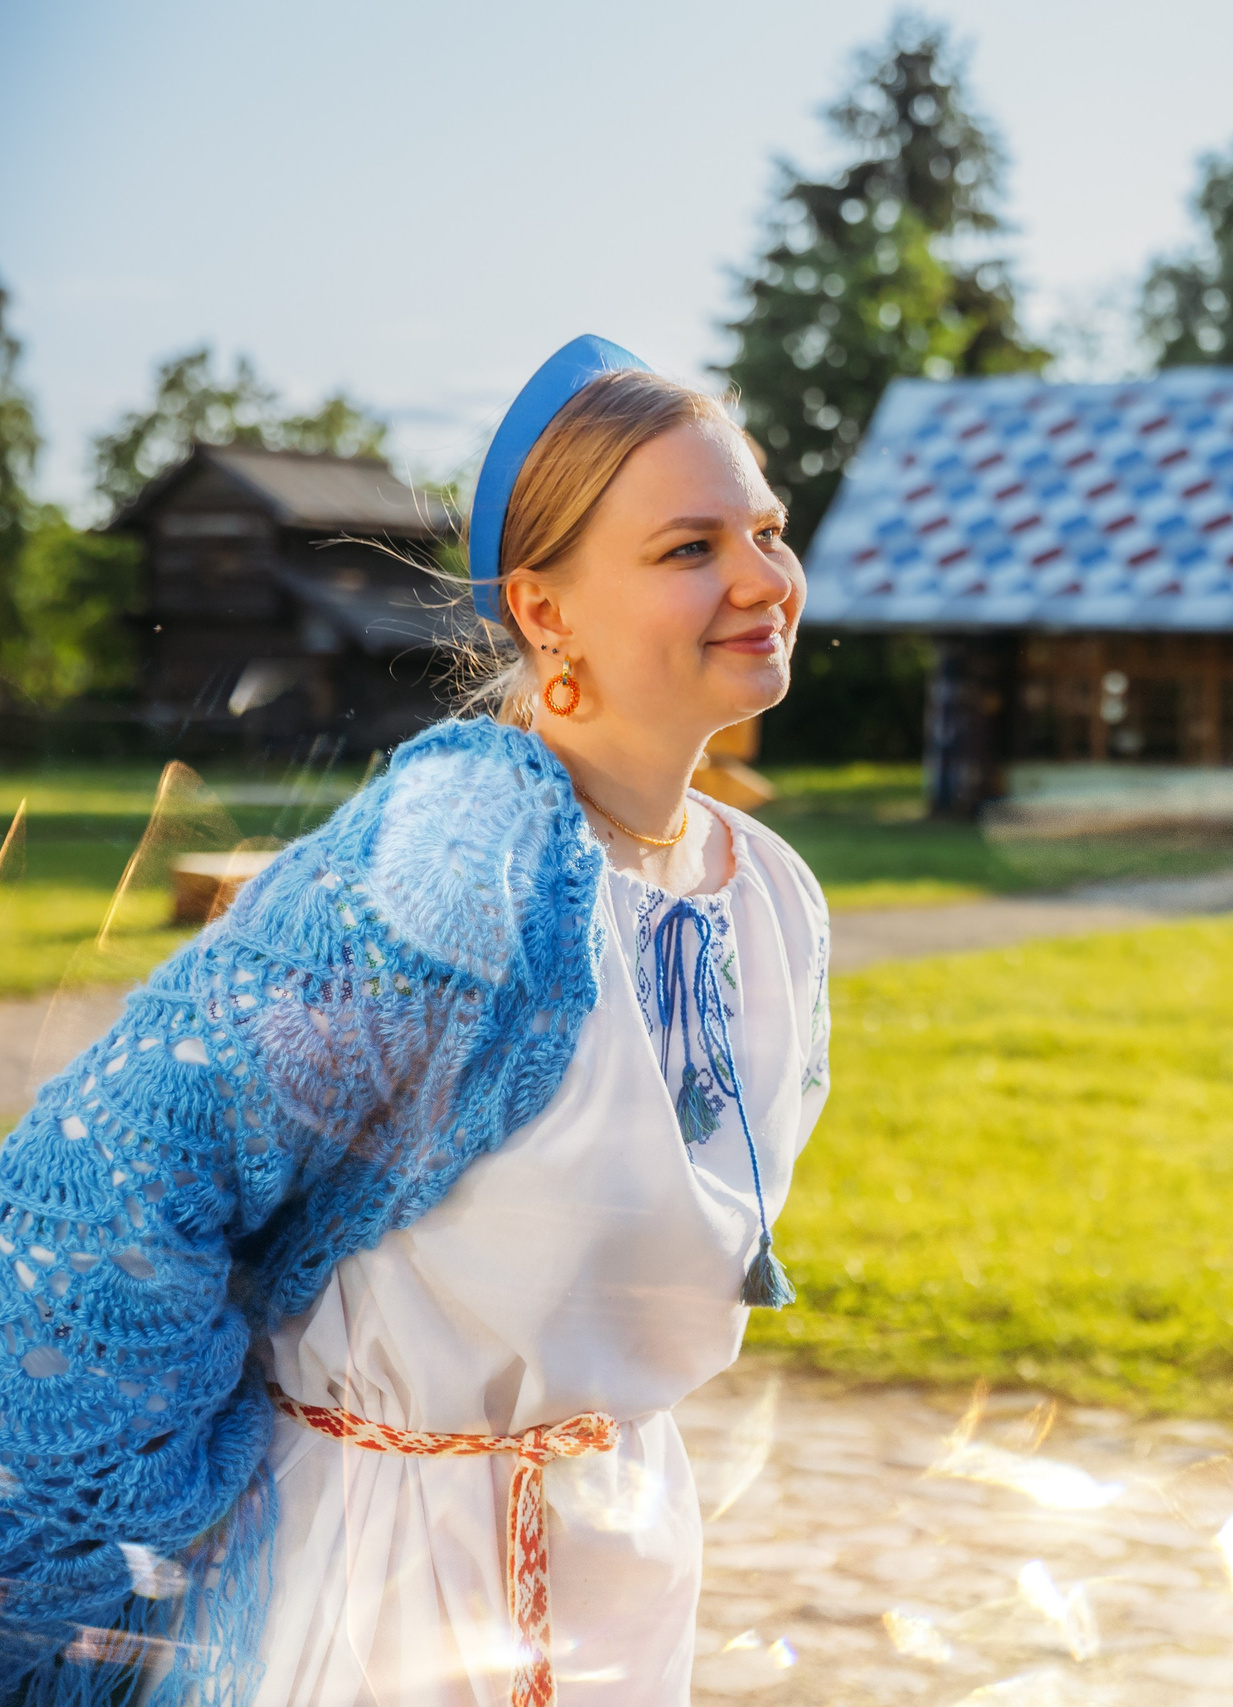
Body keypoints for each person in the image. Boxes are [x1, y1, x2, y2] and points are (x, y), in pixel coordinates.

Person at [0, 337, 832, 1705]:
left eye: (768, 529)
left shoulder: (768, 891)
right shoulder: (456, 866)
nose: (762, 579)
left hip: (619, 1559)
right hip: (384, 1585)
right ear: (544, 608)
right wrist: (131, 1552)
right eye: (690, 547)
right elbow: (105, 1181)